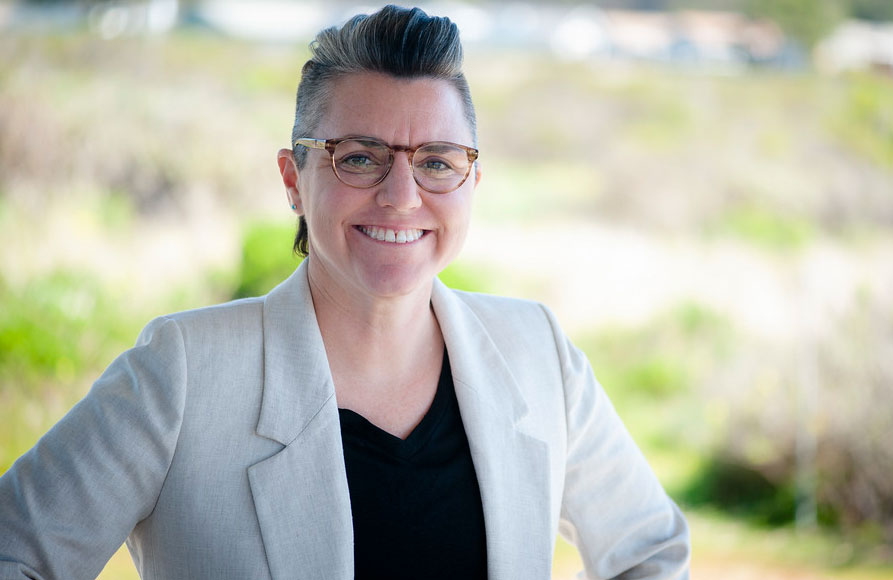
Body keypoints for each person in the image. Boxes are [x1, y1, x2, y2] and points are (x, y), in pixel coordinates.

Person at [0, 5, 689, 579]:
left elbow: (651, 552)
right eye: (358, 157)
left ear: (472, 184)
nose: (400, 196)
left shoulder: (537, 350)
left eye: (437, 163)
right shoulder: (184, 371)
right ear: (293, 179)